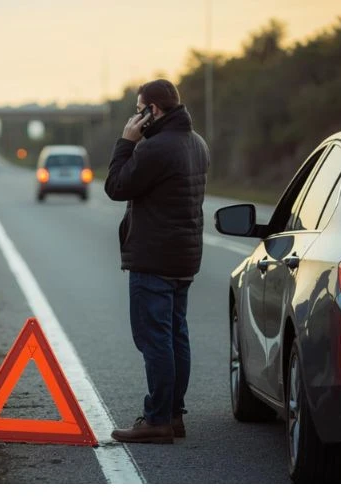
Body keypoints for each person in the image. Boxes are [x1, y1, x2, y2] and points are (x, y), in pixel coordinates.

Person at [104, 79, 209, 444]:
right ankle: (173, 415)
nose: (135, 116)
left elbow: (116, 186)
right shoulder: (196, 143)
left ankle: (157, 419)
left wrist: (126, 142)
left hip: (154, 257)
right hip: (184, 256)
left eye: (139, 110)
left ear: (154, 111)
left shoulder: (156, 148)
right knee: (176, 335)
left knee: (155, 340)